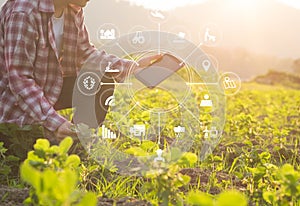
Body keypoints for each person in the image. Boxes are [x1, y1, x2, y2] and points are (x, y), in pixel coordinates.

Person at [0, 0, 160, 148]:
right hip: (12, 103)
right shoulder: (23, 12)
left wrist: (132, 67)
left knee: (100, 82)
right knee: (19, 148)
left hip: (47, 89)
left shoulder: (72, 9)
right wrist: (54, 122)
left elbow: (85, 54)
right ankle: (48, 135)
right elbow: (20, 79)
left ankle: (70, 140)